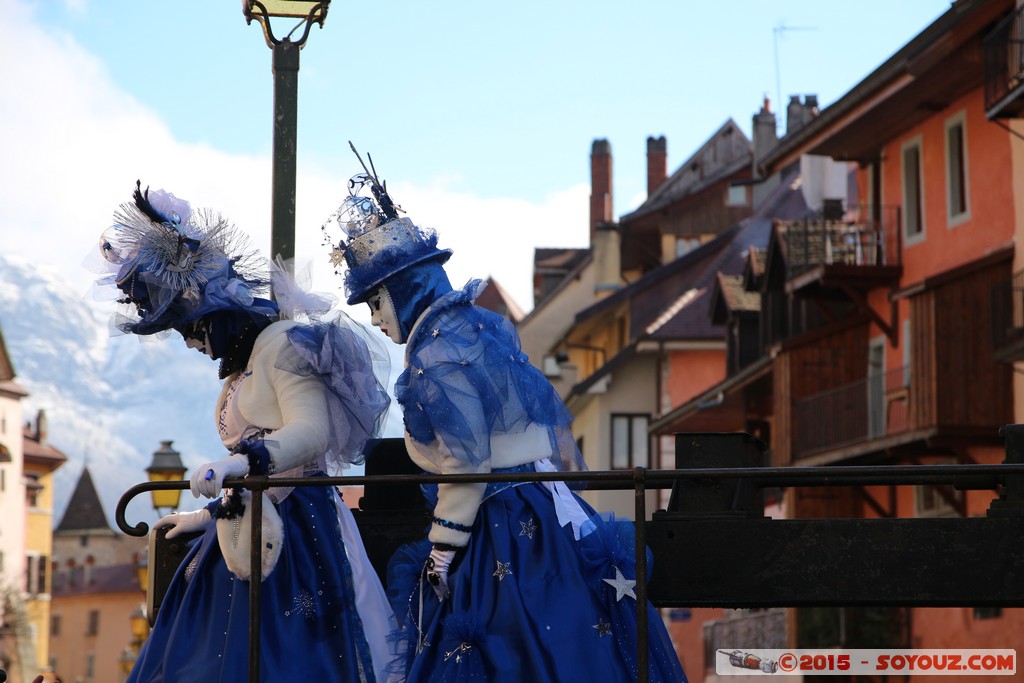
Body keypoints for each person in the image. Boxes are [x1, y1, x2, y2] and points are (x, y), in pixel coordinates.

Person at [323, 158, 688, 682]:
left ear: (404, 291)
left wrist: (444, 552)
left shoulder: (437, 356)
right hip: (548, 512)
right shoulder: (478, 328)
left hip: (503, 533)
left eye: (377, 303)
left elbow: (468, 465)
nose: (377, 320)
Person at [95, 182, 399, 682]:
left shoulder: (282, 346)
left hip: (300, 533)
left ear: (216, 314)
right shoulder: (243, 367)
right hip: (249, 524)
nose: (191, 343)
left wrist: (242, 465)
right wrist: (209, 513)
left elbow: (311, 433)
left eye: (190, 327)